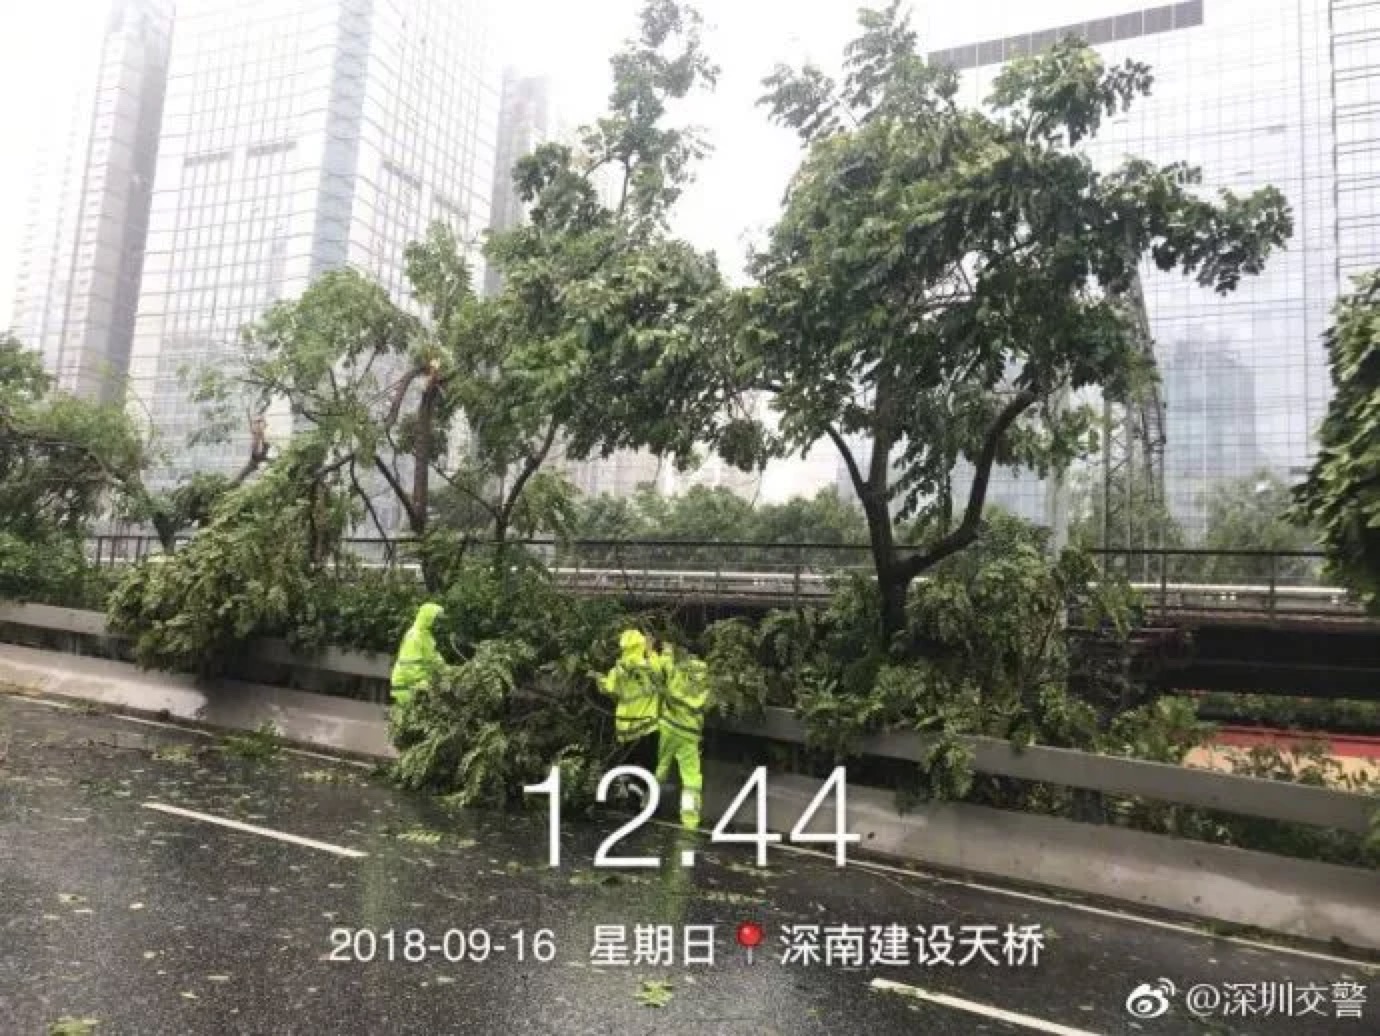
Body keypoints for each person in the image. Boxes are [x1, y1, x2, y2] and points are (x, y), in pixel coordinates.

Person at [599, 629, 710, 830]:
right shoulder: (706, 674)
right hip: (690, 731)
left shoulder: (624, 666)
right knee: (691, 778)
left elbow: (661, 672)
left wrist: (658, 650)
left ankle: (646, 802)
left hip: (663, 726)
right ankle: (690, 821)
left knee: (659, 770)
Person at [390, 602, 445, 711]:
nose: (438, 624)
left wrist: (447, 671)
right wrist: (427, 681)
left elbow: (434, 658)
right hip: (406, 685)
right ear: (428, 618)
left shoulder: (426, 636)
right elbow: (410, 665)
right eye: (436, 620)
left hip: (417, 684)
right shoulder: (414, 636)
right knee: (409, 716)